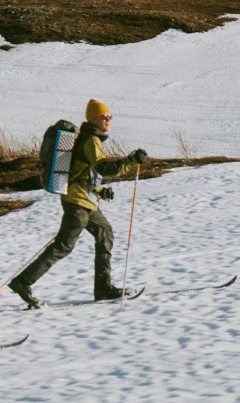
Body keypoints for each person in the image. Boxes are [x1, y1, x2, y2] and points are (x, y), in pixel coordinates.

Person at [9, 98, 147, 308]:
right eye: (104, 116)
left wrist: (100, 190)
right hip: (76, 202)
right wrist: (130, 161)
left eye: (110, 116)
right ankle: (23, 282)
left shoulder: (90, 139)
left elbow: (83, 172)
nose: (108, 119)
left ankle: (103, 288)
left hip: (85, 201)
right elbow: (104, 168)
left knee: (105, 233)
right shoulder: (91, 140)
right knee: (64, 245)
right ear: (93, 118)